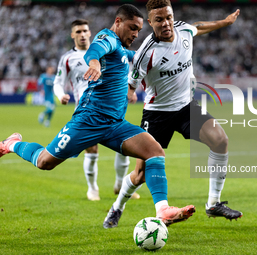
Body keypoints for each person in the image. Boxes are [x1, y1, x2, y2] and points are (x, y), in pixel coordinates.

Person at [0, 4, 194, 228]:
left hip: (115, 124)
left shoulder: (122, 50)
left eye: (139, 30)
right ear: (118, 22)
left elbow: (141, 57)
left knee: (154, 151)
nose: (135, 34)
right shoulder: (108, 37)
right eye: (132, 28)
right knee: (45, 162)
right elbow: (95, 51)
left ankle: (163, 210)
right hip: (89, 121)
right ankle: (12, 144)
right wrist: (93, 63)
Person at [104, 0, 242, 228]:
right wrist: (129, 94)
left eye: (168, 17)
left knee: (220, 140)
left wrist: (224, 22)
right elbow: (130, 84)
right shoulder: (145, 54)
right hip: (156, 115)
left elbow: (198, 26)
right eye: (159, 20)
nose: (166, 23)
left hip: (186, 108)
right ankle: (117, 207)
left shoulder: (183, 30)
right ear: (150, 22)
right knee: (140, 174)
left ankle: (213, 203)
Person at [53, 19, 139, 201]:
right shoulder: (68, 59)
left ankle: (119, 184)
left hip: (111, 108)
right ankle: (92, 189)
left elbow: (130, 62)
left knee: (126, 147)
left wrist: (130, 89)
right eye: (78, 32)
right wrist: (61, 95)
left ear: (90, 33)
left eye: (85, 31)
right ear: (72, 35)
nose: (82, 34)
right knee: (91, 150)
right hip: (86, 111)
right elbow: (58, 83)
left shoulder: (108, 48)